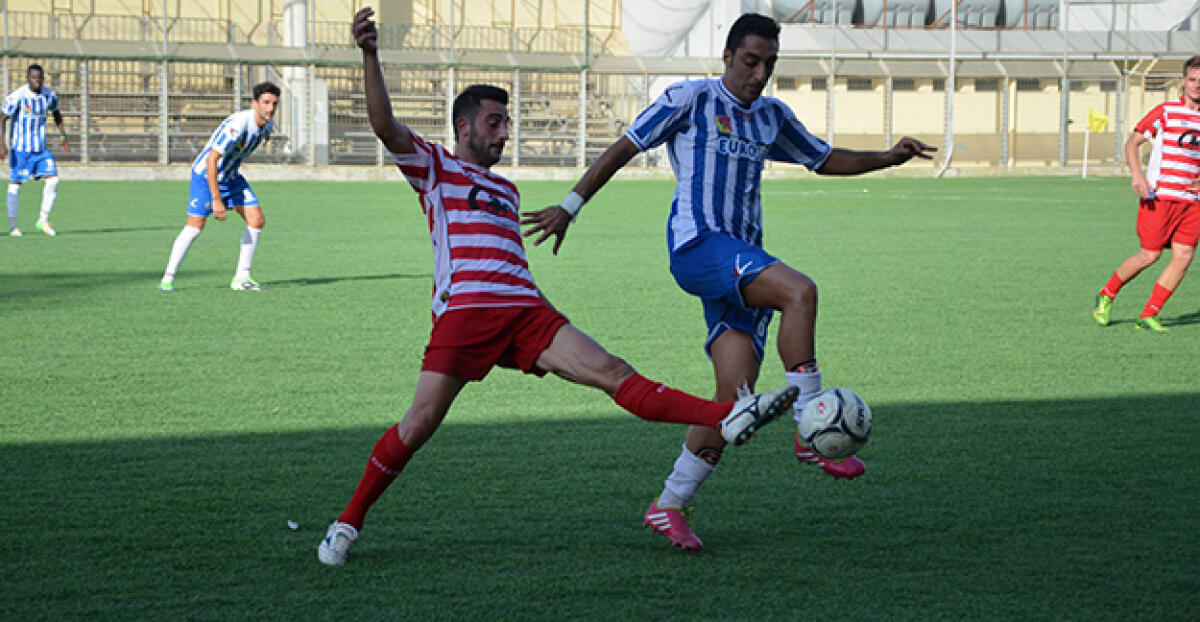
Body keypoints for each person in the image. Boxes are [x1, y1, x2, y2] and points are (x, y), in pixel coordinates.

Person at [316, 7, 799, 567]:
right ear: (465, 126)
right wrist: (371, 54)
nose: (504, 131)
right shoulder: (434, 168)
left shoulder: (508, 191)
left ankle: (728, 415)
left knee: (613, 372)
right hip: (467, 313)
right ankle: (348, 522)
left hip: (526, 311)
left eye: (507, 122)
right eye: (494, 122)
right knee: (419, 423)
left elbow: (509, 261)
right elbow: (384, 126)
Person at [522, 13, 935, 551]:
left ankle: (668, 503)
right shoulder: (689, 100)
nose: (759, 74)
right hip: (699, 248)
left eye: (769, 65)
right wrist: (571, 206)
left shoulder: (770, 117)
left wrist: (889, 157)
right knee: (800, 291)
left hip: (742, 264)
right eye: (750, 61)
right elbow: (626, 146)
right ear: (727, 57)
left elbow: (824, 157)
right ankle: (811, 431)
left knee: (733, 400)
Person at [1092, 56, 1200, 333]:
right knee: (1149, 255)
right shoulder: (1166, 111)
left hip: (1192, 202)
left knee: (1184, 256)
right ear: (1183, 82)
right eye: (1193, 80)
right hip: (1160, 196)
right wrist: (1138, 175)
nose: (1197, 85)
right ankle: (1107, 294)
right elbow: (1134, 141)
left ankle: (1149, 314)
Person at [158, 81, 279, 292]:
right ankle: (168, 278)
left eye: (274, 104)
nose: (270, 108)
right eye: (266, 102)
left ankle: (242, 277)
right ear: (255, 103)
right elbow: (211, 159)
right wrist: (216, 199)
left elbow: (262, 135)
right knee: (195, 227)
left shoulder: (268, 123)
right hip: (206, 175)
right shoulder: (237, 125)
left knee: (256, 219)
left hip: (231, 177)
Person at [1, 63, 69, 237]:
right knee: (16, 184)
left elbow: (56, 113)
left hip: (40, 149)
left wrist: (63, 136)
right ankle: (13, 225)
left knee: (53, 180)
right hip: (20, 149)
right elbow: (2, 118)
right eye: (33, 78)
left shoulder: (49, 95)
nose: (36, 81)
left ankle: (43, 220)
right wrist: (2, 144)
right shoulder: (18, 96)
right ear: (27, 78)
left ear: (43, 79)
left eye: (39, 78)